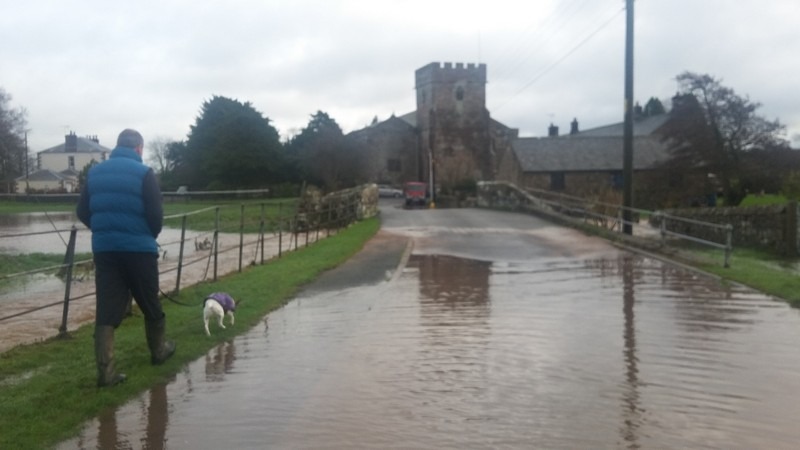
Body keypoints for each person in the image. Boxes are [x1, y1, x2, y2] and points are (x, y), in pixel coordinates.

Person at [77, 128, 175, 387]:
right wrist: (146, 235)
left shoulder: (95, 172)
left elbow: (82, 211)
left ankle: (106, 373)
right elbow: (156, 216)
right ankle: (159, 350)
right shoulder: (145, 174)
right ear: (139, 148)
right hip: (139, 249)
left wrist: (103, 230)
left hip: (105, 250)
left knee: (107, 307)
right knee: (149, 300)